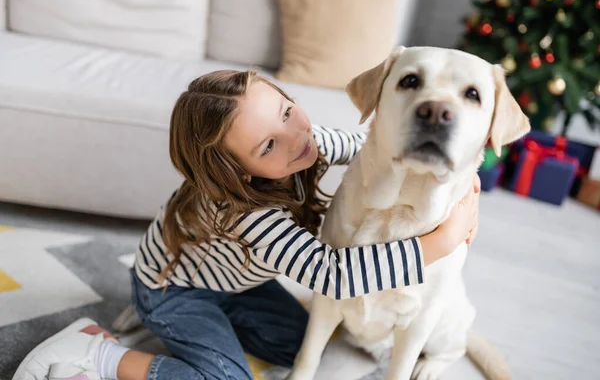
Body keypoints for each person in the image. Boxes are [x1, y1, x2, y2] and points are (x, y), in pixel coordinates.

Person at [12, 70, 480, 380]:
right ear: (239, 173)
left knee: (299, 346)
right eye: (267, 146)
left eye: (286, 111)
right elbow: (333, 275)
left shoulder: (302, 141)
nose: (296, 137)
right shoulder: (246, 214)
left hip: (232, 281)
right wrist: (441, 241)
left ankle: (202, 323)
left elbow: (369, 142)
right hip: (174, 288)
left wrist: (461, 186)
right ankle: (97, 352)